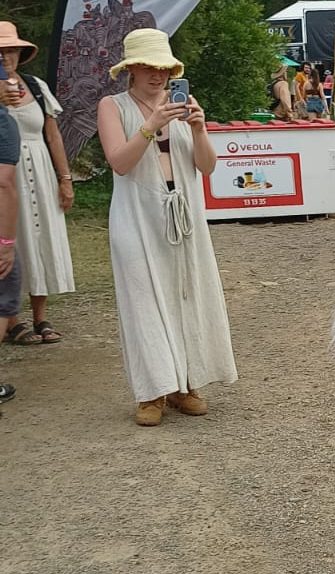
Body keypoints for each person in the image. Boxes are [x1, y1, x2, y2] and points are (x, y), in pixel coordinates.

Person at [96, 28, 238, 426]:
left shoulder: (184, 105)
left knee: (187, 295)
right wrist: (150, 125)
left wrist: (199, 128)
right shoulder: (113, 105)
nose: (156, 75)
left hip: (185, 215)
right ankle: (151, 392)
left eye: (162, 67)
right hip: (135, 215)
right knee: (142, 301)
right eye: (146, 66)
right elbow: (120, 163)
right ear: (131, 69)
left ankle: (185, 384)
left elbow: (207, 167)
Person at [0, 22, 75, 346]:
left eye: (11, 50)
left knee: (41, 238)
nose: (6, 57)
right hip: (7, 175)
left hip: (40, 170)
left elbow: (53, 135)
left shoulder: (36, 85)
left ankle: (40, 315)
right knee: (13, 241)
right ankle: (12, 319)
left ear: (21, 53)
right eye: (0, 51)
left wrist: (65, 178)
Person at [1, 59, 26, 402]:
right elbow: (4, 184)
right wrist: (5, 243)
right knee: (5, 294)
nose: (10, 85)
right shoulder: (3, 125)